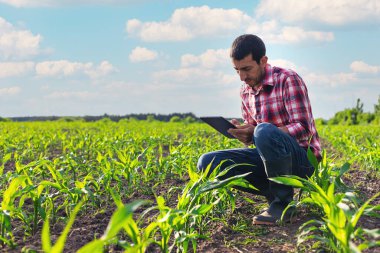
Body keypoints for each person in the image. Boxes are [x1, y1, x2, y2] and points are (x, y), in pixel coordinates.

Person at [197, 34, 321, 225]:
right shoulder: (245, 91)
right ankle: (273, 192)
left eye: (247, 69)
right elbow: (257, 139)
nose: (242, 77)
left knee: (264, 131)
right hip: (270, 160)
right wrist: (246, 134)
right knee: (207, 162)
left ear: (263, 61)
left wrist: (260, 131)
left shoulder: (288, 79)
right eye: (237, 70)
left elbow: (304, 128)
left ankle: (283, 205)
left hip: (302, 159)